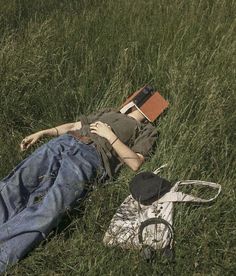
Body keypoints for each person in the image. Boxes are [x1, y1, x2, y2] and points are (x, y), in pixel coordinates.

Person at [0, 86, 167, 272]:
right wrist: (43, 133)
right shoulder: (110, 111)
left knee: (51, 208)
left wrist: (109, 136)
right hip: (62, 143)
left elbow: (135, 162)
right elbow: (72, 126)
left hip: (89, 159)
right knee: (15, 185)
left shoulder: (148, 130)